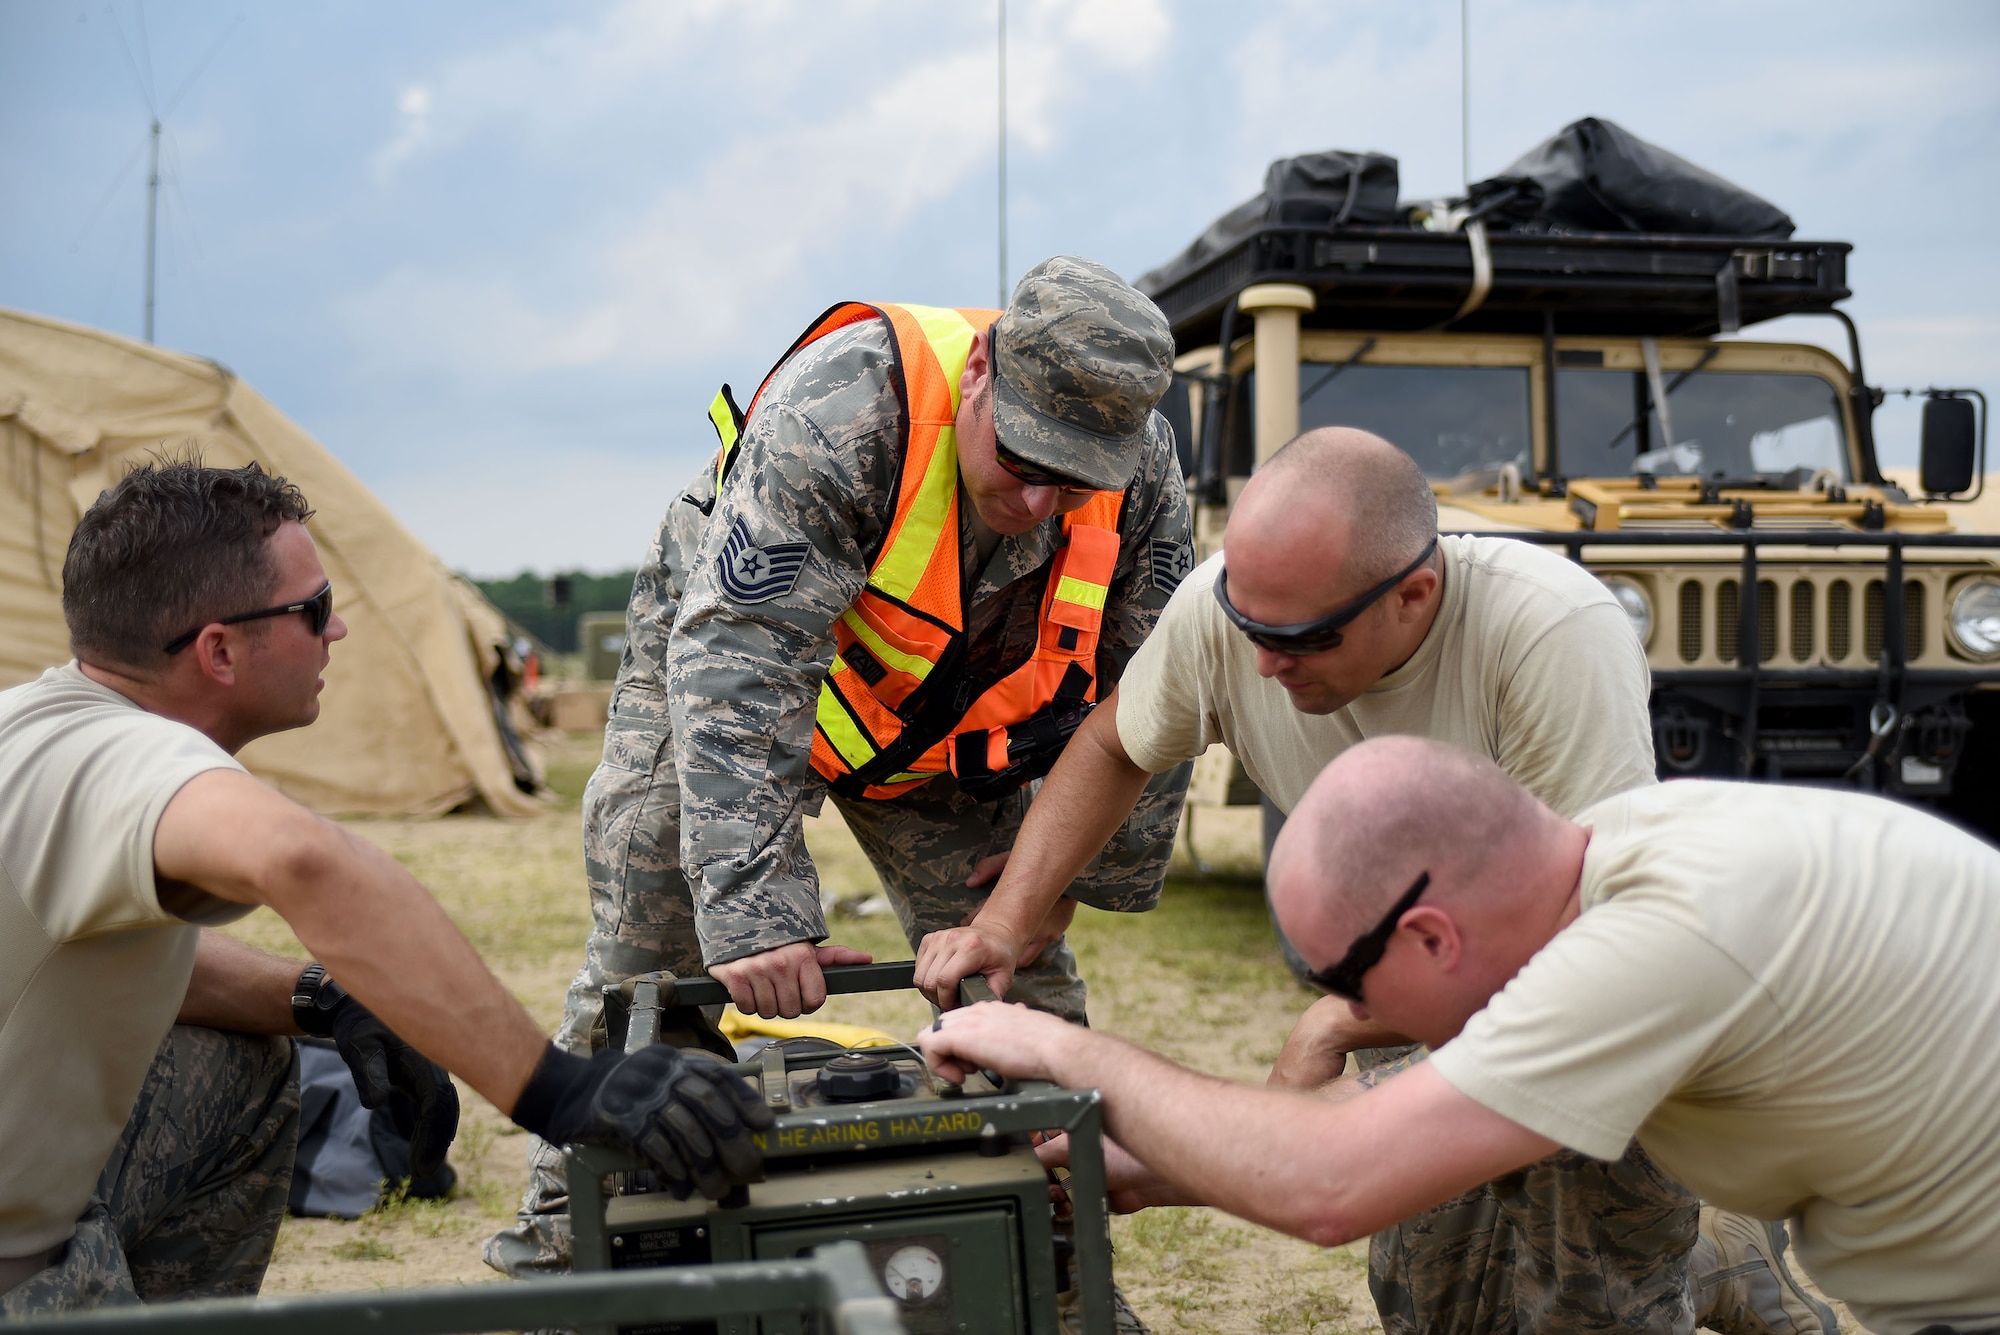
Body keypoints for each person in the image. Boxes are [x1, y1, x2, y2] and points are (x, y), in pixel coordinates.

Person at [914, 426, 1831, 1334]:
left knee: (1586, 1307)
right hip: (1442, 987)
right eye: (1247, 624)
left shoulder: (1549, 632)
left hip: (1611, 1004)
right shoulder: (1231, 611)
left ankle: (1710, 1258)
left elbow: (1589, 948)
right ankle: (1708, 1258)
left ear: (1415, 593)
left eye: (1301, 637)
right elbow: (1118, 740)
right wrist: (1006, 917)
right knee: (1443, 1312)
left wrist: (1334, 1023)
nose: (1264, 664)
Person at [487, 257, 1195, 1300]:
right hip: (730, 679)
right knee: (648, 954)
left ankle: (1051, 1259)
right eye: (1021, 454)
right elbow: (740, 657)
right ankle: (569, 1256)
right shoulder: (847, 405)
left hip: (940, 726)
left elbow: (1156, 690)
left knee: (1015, 983)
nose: (1040, 496)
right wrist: (757, 911)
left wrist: (1062, 875)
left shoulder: (1141, 471)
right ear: (982, 375)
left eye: (1074, 474)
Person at [0, 461, 769, 1315]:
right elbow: (305, 860)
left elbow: (124, 957)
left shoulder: (44, 728)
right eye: (313, 611)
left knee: (235, 1059)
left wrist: (325, 999)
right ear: (217, 650)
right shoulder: (123, 759)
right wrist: (557, 1088)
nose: (336, 634)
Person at [920, 734, 2000, 1335]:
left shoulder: (1657, 943)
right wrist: (1153, 1166)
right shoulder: (1610, 860)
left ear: (1430, 934)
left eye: (1339, 974)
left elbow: (1333, 1187)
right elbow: (1429, 1121)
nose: (1334, 1005)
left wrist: (1062, 1048)